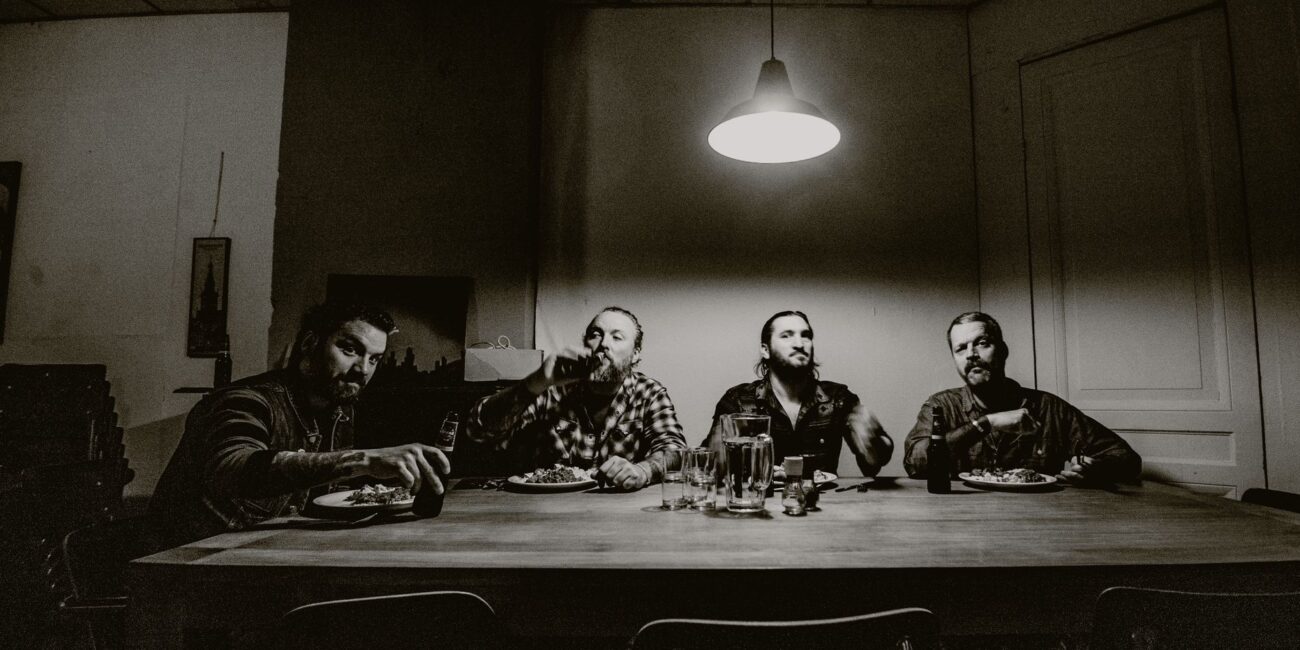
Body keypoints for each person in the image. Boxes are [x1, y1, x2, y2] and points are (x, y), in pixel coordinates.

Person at [148, 302, 451, 550]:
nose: (363, 370)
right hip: (188, 568)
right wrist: (362, 460)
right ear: (309, 343)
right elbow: (232, 467)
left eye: (374, 359)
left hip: (264, 557)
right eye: (350, 350)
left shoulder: (340, 410)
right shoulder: (246, 400)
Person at [904, 311, 1141, 484]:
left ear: (1003, 350)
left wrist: (1095, 471)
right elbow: (915, 464)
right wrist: (985, 423)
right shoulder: (941, 405)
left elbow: (1127, 460)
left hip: (1039, 522)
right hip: (964, 520)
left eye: (982, 343)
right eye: (960, 348)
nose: (971, 355)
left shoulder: (1049, 408)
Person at [465, 306, 686, 490]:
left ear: (635, 353)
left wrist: (642, 471)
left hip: (617, 512)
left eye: (616, 337)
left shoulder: (649, 393)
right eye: (595, 334)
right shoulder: (551, 389)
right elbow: (478, 431)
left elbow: (675, 451)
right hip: (547, 513)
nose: (603, 344)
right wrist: (536, 381)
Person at [703, 311, 893, 478]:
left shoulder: (838, 398)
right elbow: (708, 467)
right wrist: (718, 453)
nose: (799, 344)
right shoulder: (738, 401)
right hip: (760, 502)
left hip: (822, 504)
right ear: (766, 350)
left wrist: (874, 442)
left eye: (806, 336)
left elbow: (872, 466)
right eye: (786, 336)